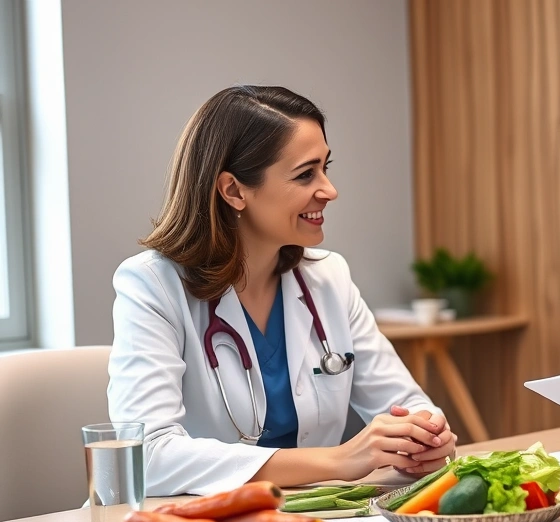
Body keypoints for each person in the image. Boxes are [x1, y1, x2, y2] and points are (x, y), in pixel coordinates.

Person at [108, 86, 456, 496]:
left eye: (327, 168)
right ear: (234, 191)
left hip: (312, 521)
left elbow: (406, 405)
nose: (329, 189)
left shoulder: (329, 277)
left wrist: (426, 437)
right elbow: (147, 456)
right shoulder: (153, 285)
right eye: (306, 174)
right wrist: (339, 460)